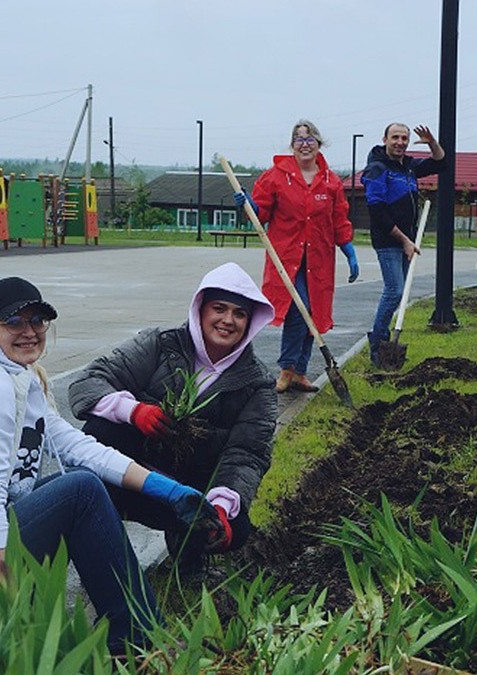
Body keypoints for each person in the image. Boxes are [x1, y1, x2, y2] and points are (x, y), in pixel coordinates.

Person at [0, 276, 217, 654]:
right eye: (14, 322)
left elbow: (78, 447)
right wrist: (2, 603)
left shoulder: (19, 380)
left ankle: (132, 635)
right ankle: (139, 641)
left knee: (79, 479)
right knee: (80, 491)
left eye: (37, 321)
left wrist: (166, 488)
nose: (29, 332)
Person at [68, 262, 277, 572]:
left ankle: (188, 551)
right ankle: (102, 543)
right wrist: (134, 411)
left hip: (191, 491)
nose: (227, 320)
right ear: (200, 309)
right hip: (139, 476)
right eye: (219, 308)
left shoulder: (257, 381)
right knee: (102, 430)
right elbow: (88, 382)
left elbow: (247, 453)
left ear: (250, 323)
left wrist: (219, 507)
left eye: (239, 313)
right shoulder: (160, 344)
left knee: (237, 527)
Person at [233, 119, 359, 394]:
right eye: (299, 139)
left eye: (310, 138)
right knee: (297, 310)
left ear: (319, 144)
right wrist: (249, 206)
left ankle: (300, 372)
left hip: (319, 259)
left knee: (312, 313)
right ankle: (287, 368)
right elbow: (261, 213)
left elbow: (339, 218)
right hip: (287, 257)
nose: (304, 144)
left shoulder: (331, 181)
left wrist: (348, 250)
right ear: (292, 145)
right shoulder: (275, 176)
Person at [361, 123, 447, 367]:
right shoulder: (377, 169)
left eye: (404, 138)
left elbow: (441, 163)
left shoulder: (408, 167)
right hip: (389, 240)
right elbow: (376, 210)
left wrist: (431, 142)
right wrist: (405, 240)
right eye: (395, 137)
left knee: (398, 293)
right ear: (385, 139)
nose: (400, 142)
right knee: (395, 291)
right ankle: (378, 345)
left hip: (408, 241)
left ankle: (384, 346)